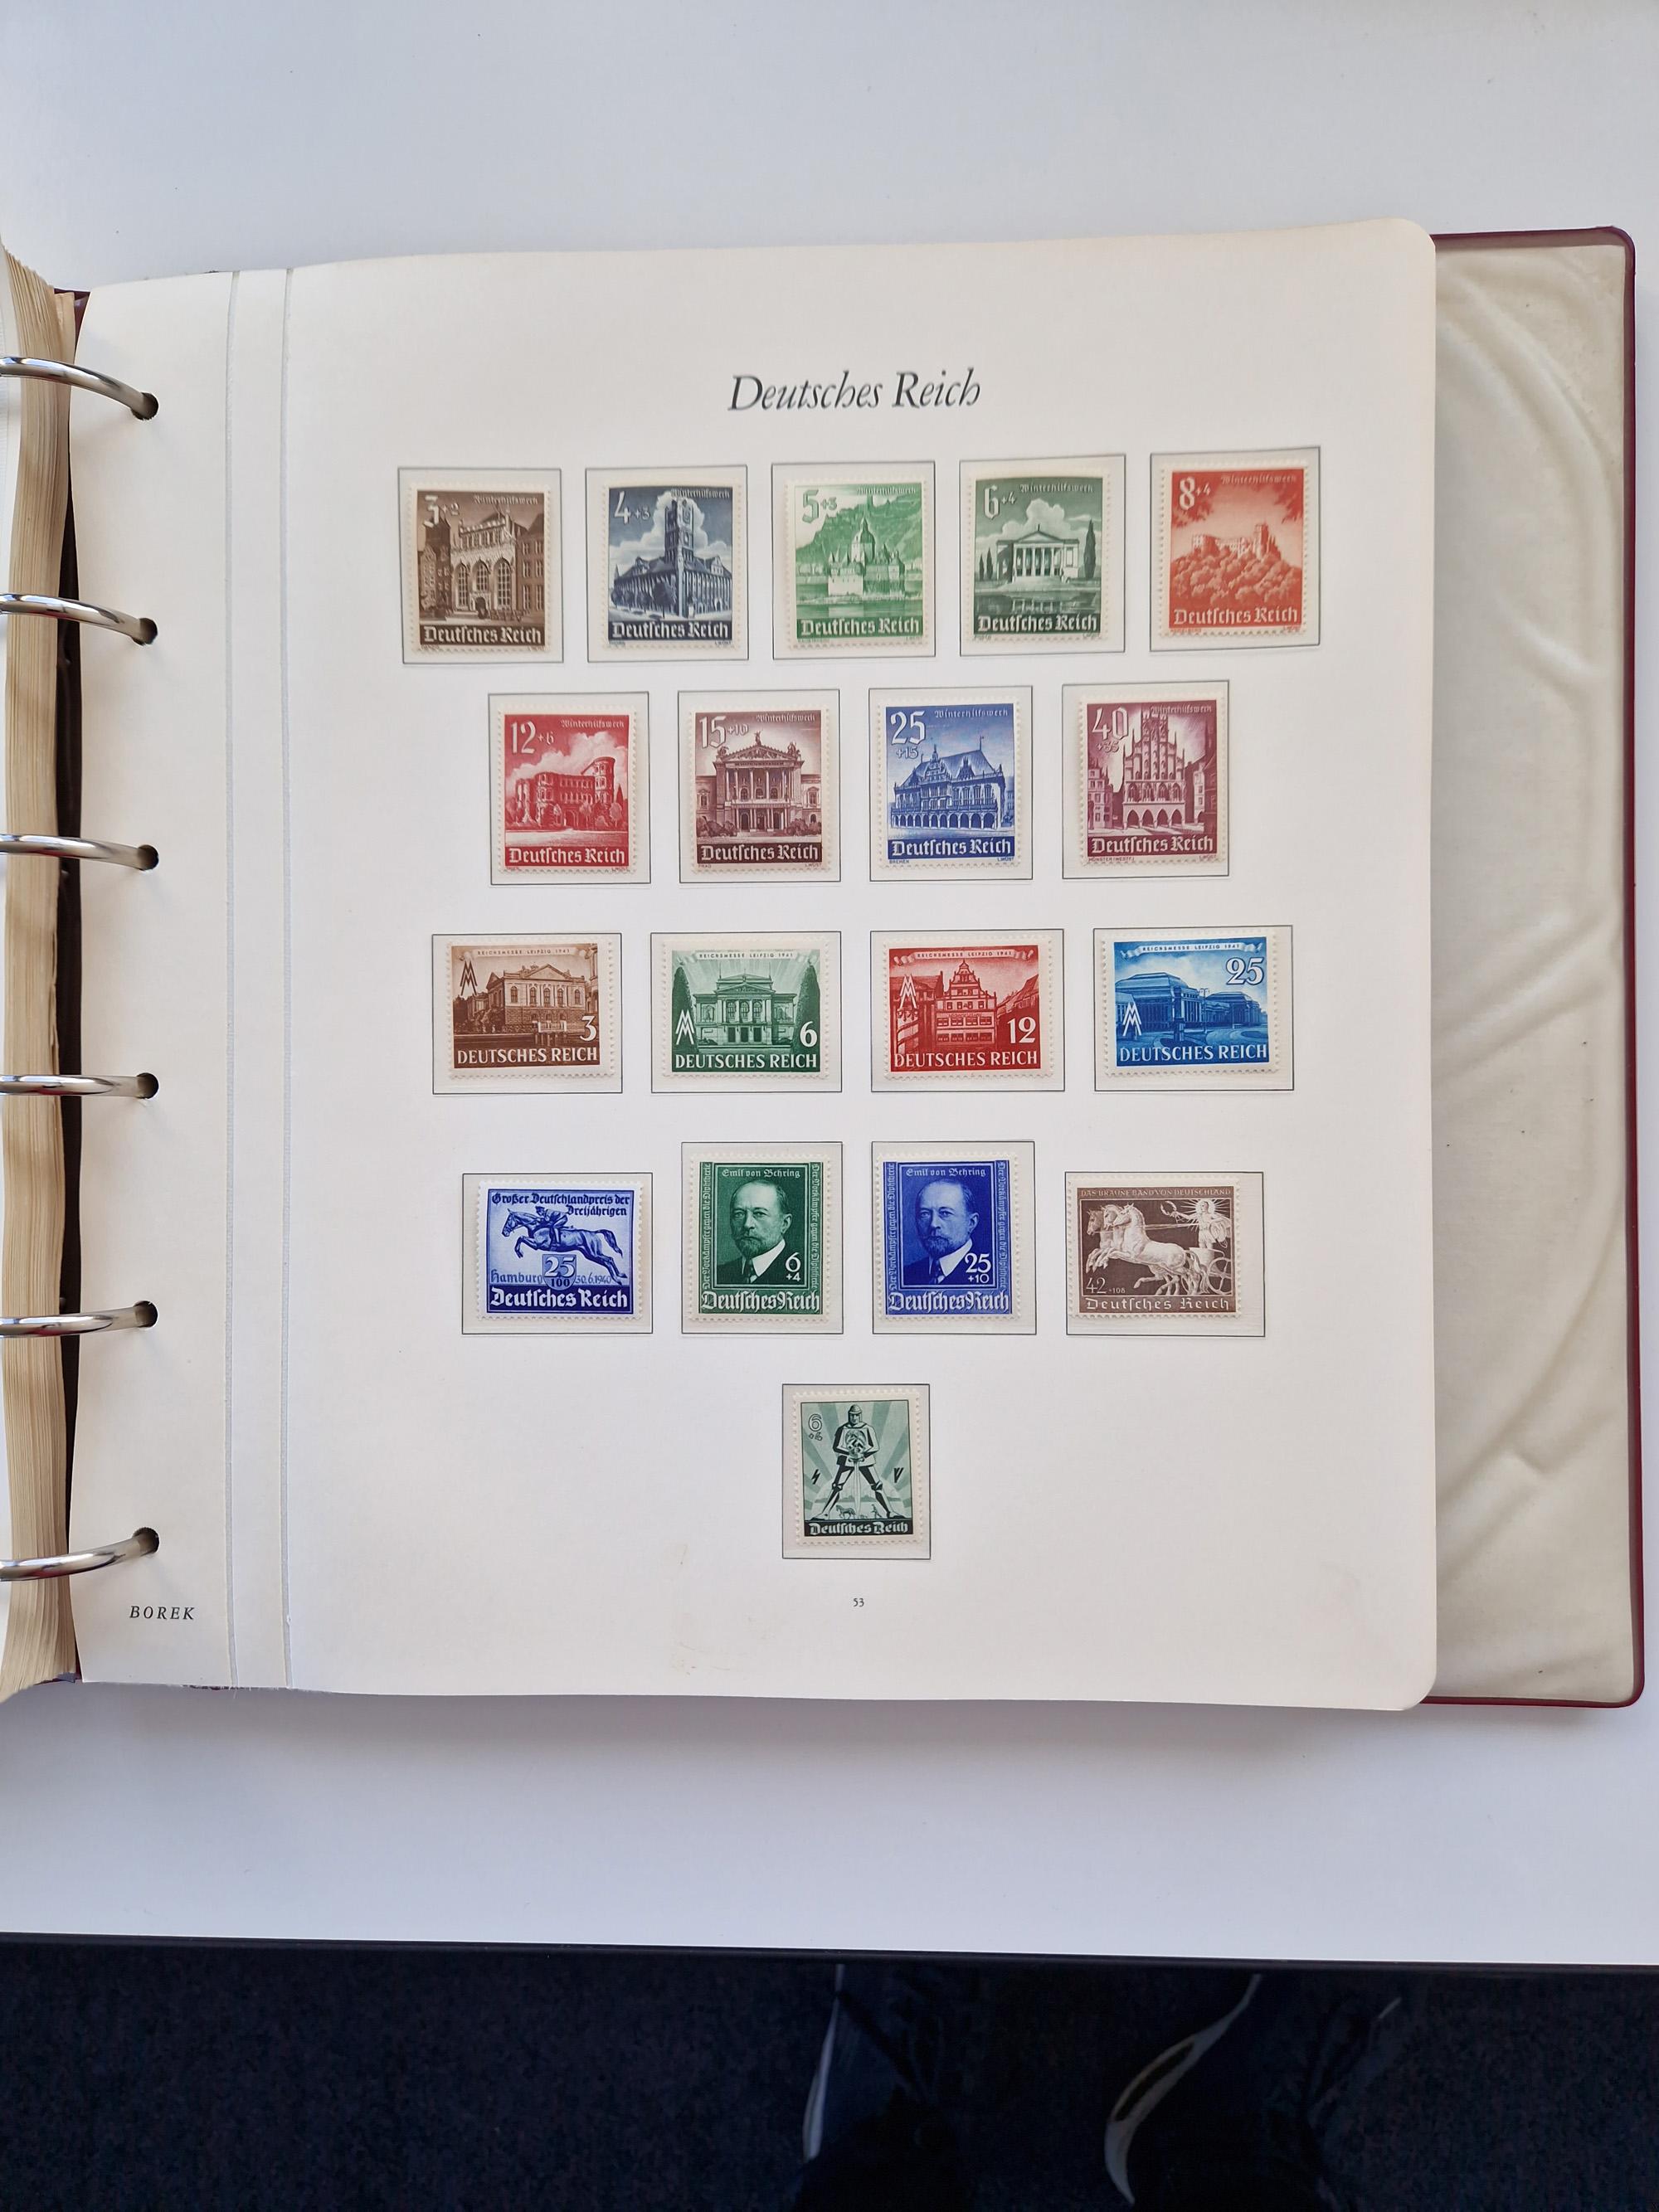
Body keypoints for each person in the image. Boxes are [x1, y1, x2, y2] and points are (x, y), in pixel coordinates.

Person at [718, 1177, 802, 1284]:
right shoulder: (719, 1275)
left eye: (759, 1214)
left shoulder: (805, 1275)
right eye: (739, 1214)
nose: (747, 1224)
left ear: (784, 1223)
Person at [903, 1178, 983, 1285]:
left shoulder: (992, 1274)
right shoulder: (906, 1275)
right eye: (924, 1214)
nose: (933, 1224)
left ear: (971, 1223)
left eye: (945, 1213)